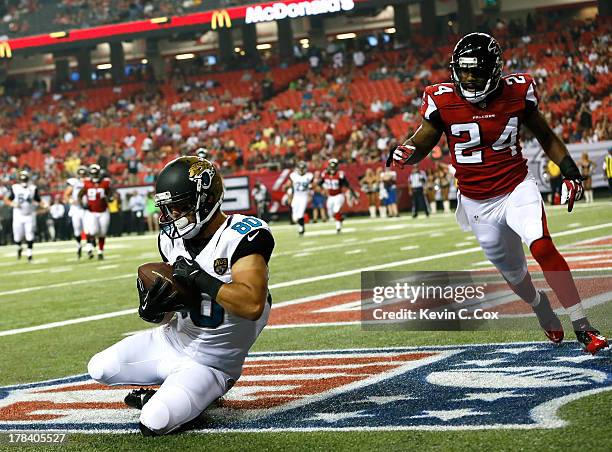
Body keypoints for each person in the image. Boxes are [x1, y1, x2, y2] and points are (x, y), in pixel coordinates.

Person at [390, 32, 607, 354]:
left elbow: (546, 136)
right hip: (476, 201)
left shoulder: (518, 91)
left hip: (516, 186)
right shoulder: (442, 97)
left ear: (494, 70)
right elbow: (424, 139)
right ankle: (539, 306)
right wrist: (406, 151)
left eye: (475, 71)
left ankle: (583, 326)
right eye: (462, 71)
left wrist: (571, 172)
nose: (468, 78)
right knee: (515, 274)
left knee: (543, 246)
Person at [88, 157, 274, 436]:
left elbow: (252, 305)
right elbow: (176, 308)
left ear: (207, 199)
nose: (171, 215)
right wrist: (154, 310)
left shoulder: (241, 236)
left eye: (179, 205)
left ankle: (199, 396)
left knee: (155, 422)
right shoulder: (170, 240)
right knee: (100, 368)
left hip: (212, 362)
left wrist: (200, 277)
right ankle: (175, 391)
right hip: (170, 341)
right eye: (166, 208)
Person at [79, 164, 112, 260]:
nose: (94, 176)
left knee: (102, 233)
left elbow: (110, 192)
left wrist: (110, 198)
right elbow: (80, 195)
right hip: (91, 211)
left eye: (96, 173)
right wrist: (82, 204)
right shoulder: (86, 183)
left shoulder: (105, 183)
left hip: (103, 211)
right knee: (93, 231)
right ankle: (89, 245)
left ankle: (100, 251)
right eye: (92, 174)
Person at [5, 171, 40, 261]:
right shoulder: (15, 188)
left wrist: (43, 204)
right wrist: (13, 204)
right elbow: (7, 199)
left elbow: (38, 200)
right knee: (17, 236)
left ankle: (29, 255)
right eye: (22, 178)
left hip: (29, 214)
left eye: (25, 178)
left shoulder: (32, 188)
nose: (23, 180)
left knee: (29, 234)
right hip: (18, 215)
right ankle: (19, 247)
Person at [321, 158, 355, 233]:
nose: (332, 169)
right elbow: (320, 183)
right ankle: (340, 218)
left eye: (334, 167)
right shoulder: (324, 174)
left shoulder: (340, 175)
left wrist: (352, 192)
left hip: (338, 195)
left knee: (336, 210)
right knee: (330, 213)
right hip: (330, 196)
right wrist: (322, 189)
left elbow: (347, 184)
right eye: (331, 167)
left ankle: (338, 227)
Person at [64, 166, 87, 258]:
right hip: (76, 208)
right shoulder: (74, 182)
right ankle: (79, 246)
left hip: (87, 208)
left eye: (83, 174)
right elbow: (66, 195)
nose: (82, 176)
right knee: (77, 229)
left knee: (89, 229)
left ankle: (90, 246)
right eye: (80, 174)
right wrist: (71, 201)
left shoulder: (89, 182)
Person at [284, 161, 313, 236]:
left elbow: (313, 186)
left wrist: (310, 194)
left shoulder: (309, 176)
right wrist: (286, 188)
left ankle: (301, 228)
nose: (301, 170)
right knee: (294, 218)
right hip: (296, 196)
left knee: (300, 214)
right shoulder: (293, 175)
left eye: (302, 168)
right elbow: (288, 185)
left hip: (304, 196)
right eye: (300, 168)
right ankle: (301, 225)